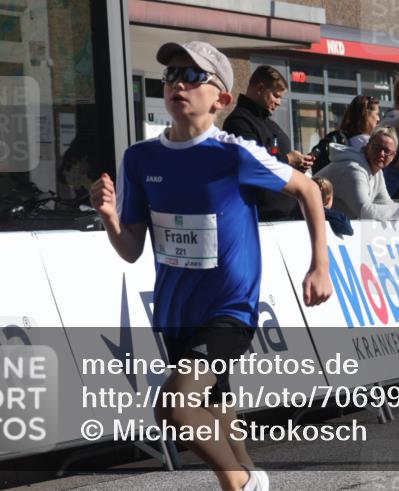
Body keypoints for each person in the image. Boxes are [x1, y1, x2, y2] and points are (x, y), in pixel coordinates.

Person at [89, 41, 332, 491]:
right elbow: (131, 249)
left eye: (193, 76)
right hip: (176, 312)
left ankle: (239, 483)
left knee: (176, 409)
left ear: (221, 98)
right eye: (171, 76)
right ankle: (250, 478)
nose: (178, 83)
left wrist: (320, 264)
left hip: (229, 309)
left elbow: (309, 190)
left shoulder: (233, 153)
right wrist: (109, 219)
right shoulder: (140, 159)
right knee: (218, 412)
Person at [223, 65, 314, 222]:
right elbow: (252, 163)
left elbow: (273, 157)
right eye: (276, 96)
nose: (279, 102)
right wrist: (287, 159)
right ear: (260, 88)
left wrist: (296, 165)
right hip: (263, 218)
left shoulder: (267, 122)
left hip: (285, 215)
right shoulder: (239, 122)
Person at [314, 126, 399, 221]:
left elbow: (385, 205)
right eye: (377, 148)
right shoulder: (354, 169)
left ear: (393, 156)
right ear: (368, 146)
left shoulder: (377, 171)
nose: (381, 154)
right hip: (299, 221)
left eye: (386, 151)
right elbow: (366, 212)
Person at [310, 95, 381, 173]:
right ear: (365, 115)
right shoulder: (367, 142)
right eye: (377, 114)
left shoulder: (341, 137)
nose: (379, 119)